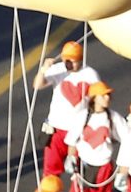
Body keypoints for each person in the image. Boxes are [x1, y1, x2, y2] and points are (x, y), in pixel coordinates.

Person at [37, 39, 101, 177]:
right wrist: (43, 69)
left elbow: (99, 98)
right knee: (51, 170)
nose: (69, 64)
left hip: (78, 130)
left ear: (81, 59)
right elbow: (38, 85)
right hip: (56, 129)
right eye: (66, 60)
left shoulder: (90, 74)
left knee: (79, 171)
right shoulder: (58, 70)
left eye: (73, 61)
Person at [66, 84, 119, 192]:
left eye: (108, 95)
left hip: (103, 167)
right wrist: (71, 158)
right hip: (84, 164)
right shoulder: (83, 117)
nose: (107, 98)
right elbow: (71, 140)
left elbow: (127, 139)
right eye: (103, 95)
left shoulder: (113, 118)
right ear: (94, 98)